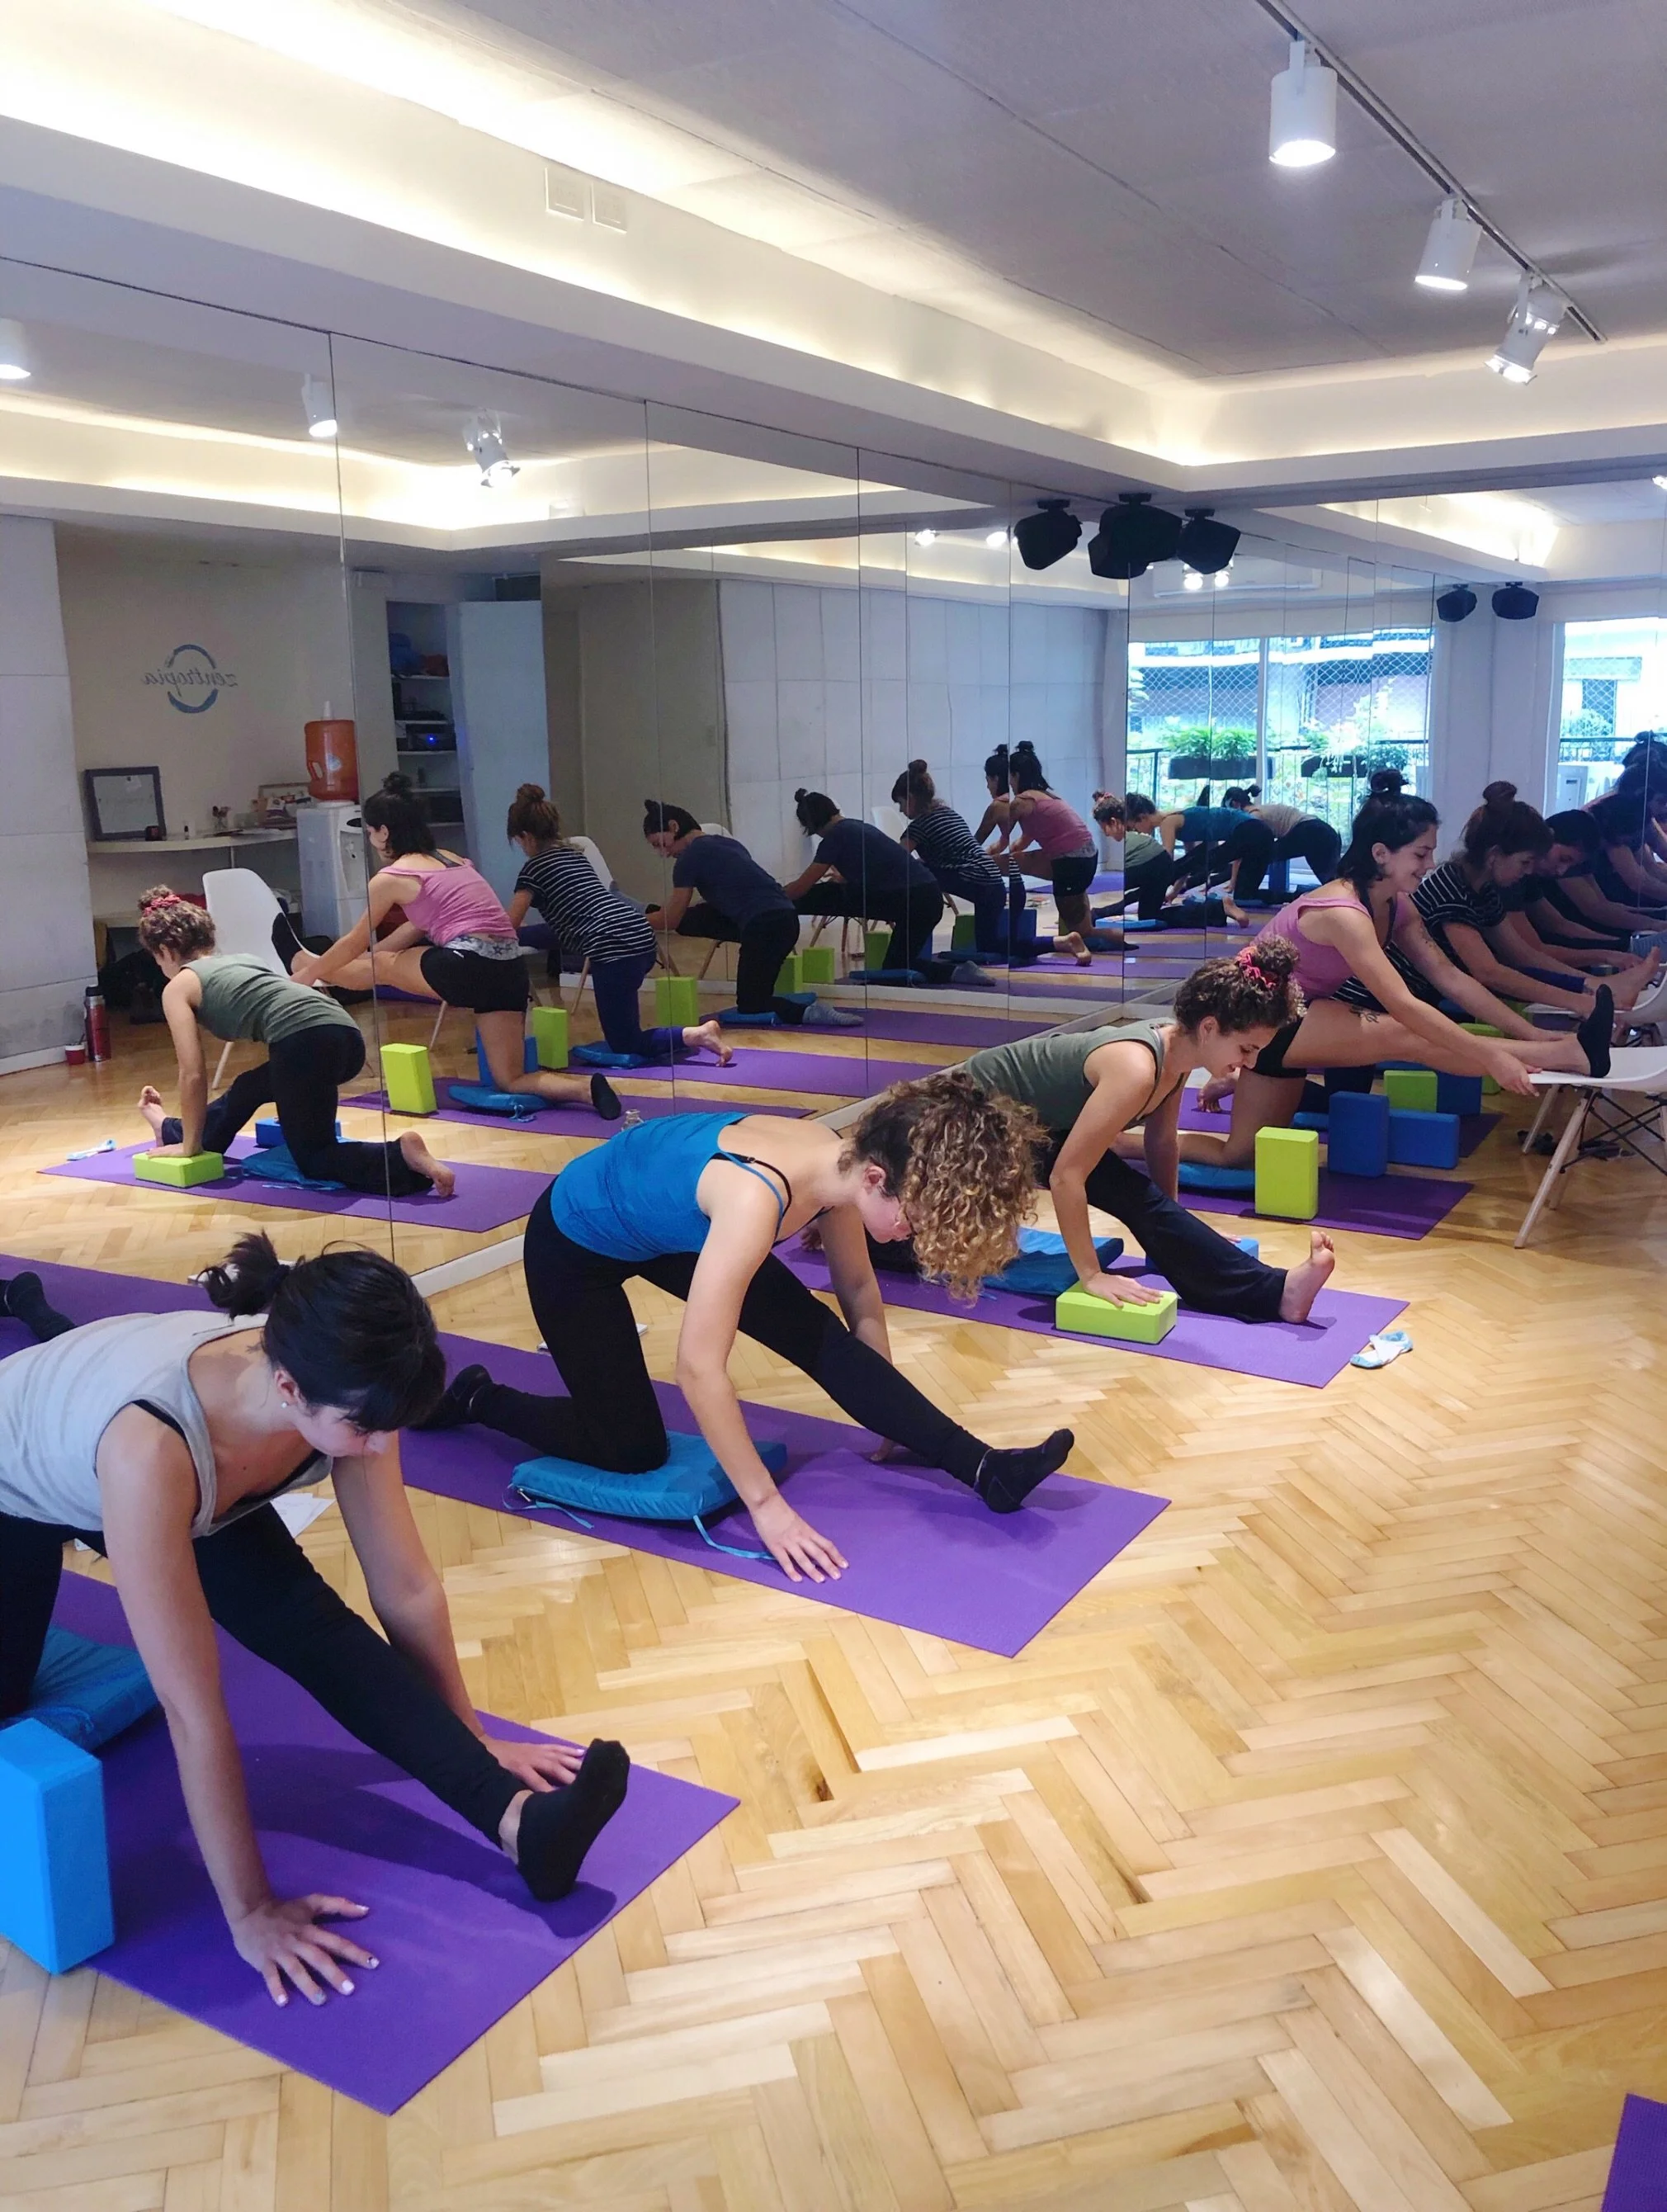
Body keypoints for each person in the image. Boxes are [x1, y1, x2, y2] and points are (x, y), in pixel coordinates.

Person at [0, 1234, 630, 2006]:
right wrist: (252, 1910)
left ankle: (519, 1825)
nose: (376, 1445)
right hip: (17, 1479)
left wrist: (474, 1742)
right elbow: (191, 1711)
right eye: (363, 1429)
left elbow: (405, 1590)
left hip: (122, 1445)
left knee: (316, 1629)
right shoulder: (152, 1449)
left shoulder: (353, 1389)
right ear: (292, 1390)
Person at [421, 1078, 1075, 1585]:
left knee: (819, 1337)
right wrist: (767, 1508)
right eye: (917, 1216)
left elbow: (856, 1293)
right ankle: (481, 1397)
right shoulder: (754, 1198)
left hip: (668, 1222)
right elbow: (700, 1369)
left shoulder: (842, 1168)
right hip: (575, 1240)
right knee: (629, 1449)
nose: (915, 1234)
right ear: (878, 1178)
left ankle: (985, 1468)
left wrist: (890, 1417)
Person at [1168, 775, 1614, 1170]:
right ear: (1381, 853)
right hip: (1263, 1021)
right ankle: (1565, 1055)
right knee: (1407, 1034)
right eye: (1421, 853)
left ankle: (1560, 1051)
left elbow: (1450, 976)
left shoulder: (1394, 903)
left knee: (1241, 1156)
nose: (1430, 864)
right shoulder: (1344, 912)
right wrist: (1491, 1057)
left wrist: (1530, 1036)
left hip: (1294, 1017)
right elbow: (1402, 1004)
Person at [900, 943, 1335, 1323]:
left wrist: (1175, 1234)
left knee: (1139, 1199)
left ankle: (1279, 1293)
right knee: (912, 1238)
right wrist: (1091, 1275)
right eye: (1246, 1049)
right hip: (965, 1119)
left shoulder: (1177, 1059)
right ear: (1208, 1028)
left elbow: (1161, 1143)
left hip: (1029, 1122)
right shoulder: (1136, 1068)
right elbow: (1066, 1177)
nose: (1252, 1064)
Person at [293, 778, 622, 1118]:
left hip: (466, 963)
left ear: (384, 832)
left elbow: (353, 942)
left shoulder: (390, 877)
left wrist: (311, 972)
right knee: (511, 1078)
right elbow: (418, 924)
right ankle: (586, 1089)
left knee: (382, 967)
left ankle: (302, 965)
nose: (370, 839)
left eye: (370, 831)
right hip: (509, 970)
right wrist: (368, 959)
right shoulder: (454, 860)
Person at [133, 888, 452, 1198]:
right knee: (249, 1087)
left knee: (314, 1158)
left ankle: (399, 1154)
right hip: (346, 1036)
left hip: (305, 1046)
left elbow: (192, 1073)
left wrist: (190, 1150)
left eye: (156, 959)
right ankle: (168, 1128)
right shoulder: (244, 961)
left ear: (166, 952)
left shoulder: (179, 986)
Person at [503, 785, 730, 1066]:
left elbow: (508, 926)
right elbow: (567, 928)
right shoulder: (575, 857)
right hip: (640, 937)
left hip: (614, 950)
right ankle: (682, 1035)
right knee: (623, 1024)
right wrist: (525, 935)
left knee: (625, 1043)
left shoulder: (533, 871)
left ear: (525, 837)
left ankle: (697, 1035)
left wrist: (488, 933)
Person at [1411, 784, 1656, 1016]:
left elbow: (1524, 955)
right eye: (1525, 862)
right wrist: (1586, 999)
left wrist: (1592, 985)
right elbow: (1489, 973)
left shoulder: (1482, 888)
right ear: (1495, 855)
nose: (1528, 871)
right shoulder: (1452, 889)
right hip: (1424, 1002)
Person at [642, 803, 857, 1028]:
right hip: (786, 920)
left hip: (764, 927)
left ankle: (811, 1013)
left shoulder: (689, 859)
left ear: (674, 827)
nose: (663, 853)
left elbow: (672, 919)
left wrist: (634, 919)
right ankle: (640, 909)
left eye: (660, 844)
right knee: (695, 916)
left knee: (751, 1003)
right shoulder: (729, 844)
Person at [784, 790, 946, 974]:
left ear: (812, 825)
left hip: (913, 900)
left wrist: (773, 896)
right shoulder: (857, 826)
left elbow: (801, 888)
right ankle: (955, 972)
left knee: (815, 897)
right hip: (928, 895)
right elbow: (880, 868)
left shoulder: (835, 837)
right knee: (899, 966)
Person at [891, 759, 1022, 961]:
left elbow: (896, 861)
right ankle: (1056, 943)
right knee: (991, 944)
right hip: (993, 881)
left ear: (910, 798)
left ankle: (910, 948)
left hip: (978, 882)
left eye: (900, 804)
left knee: (917, 873)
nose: (900, 811)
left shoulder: (917, 828)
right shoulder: (948, 813)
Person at [1004, 743, 1101, 947]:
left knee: (1084, 933)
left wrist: (979, 857)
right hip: (1087, 857)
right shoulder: (1048, 796)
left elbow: (1002, 840)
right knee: (1016, 860)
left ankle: (1111, 941)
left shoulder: (1020, 802)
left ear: (1016, 775)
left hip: (1071, 862)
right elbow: (1022, 841)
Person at [1093, 794, 1181, 923]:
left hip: (1156, 865)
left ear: (1114, 822)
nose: (1106, 834)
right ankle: (1208, 910)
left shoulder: (1129, 839)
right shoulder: (1132, 836)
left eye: (1104, 829)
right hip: (1161, 865)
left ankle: (1092, 915)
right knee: (1148, 916)